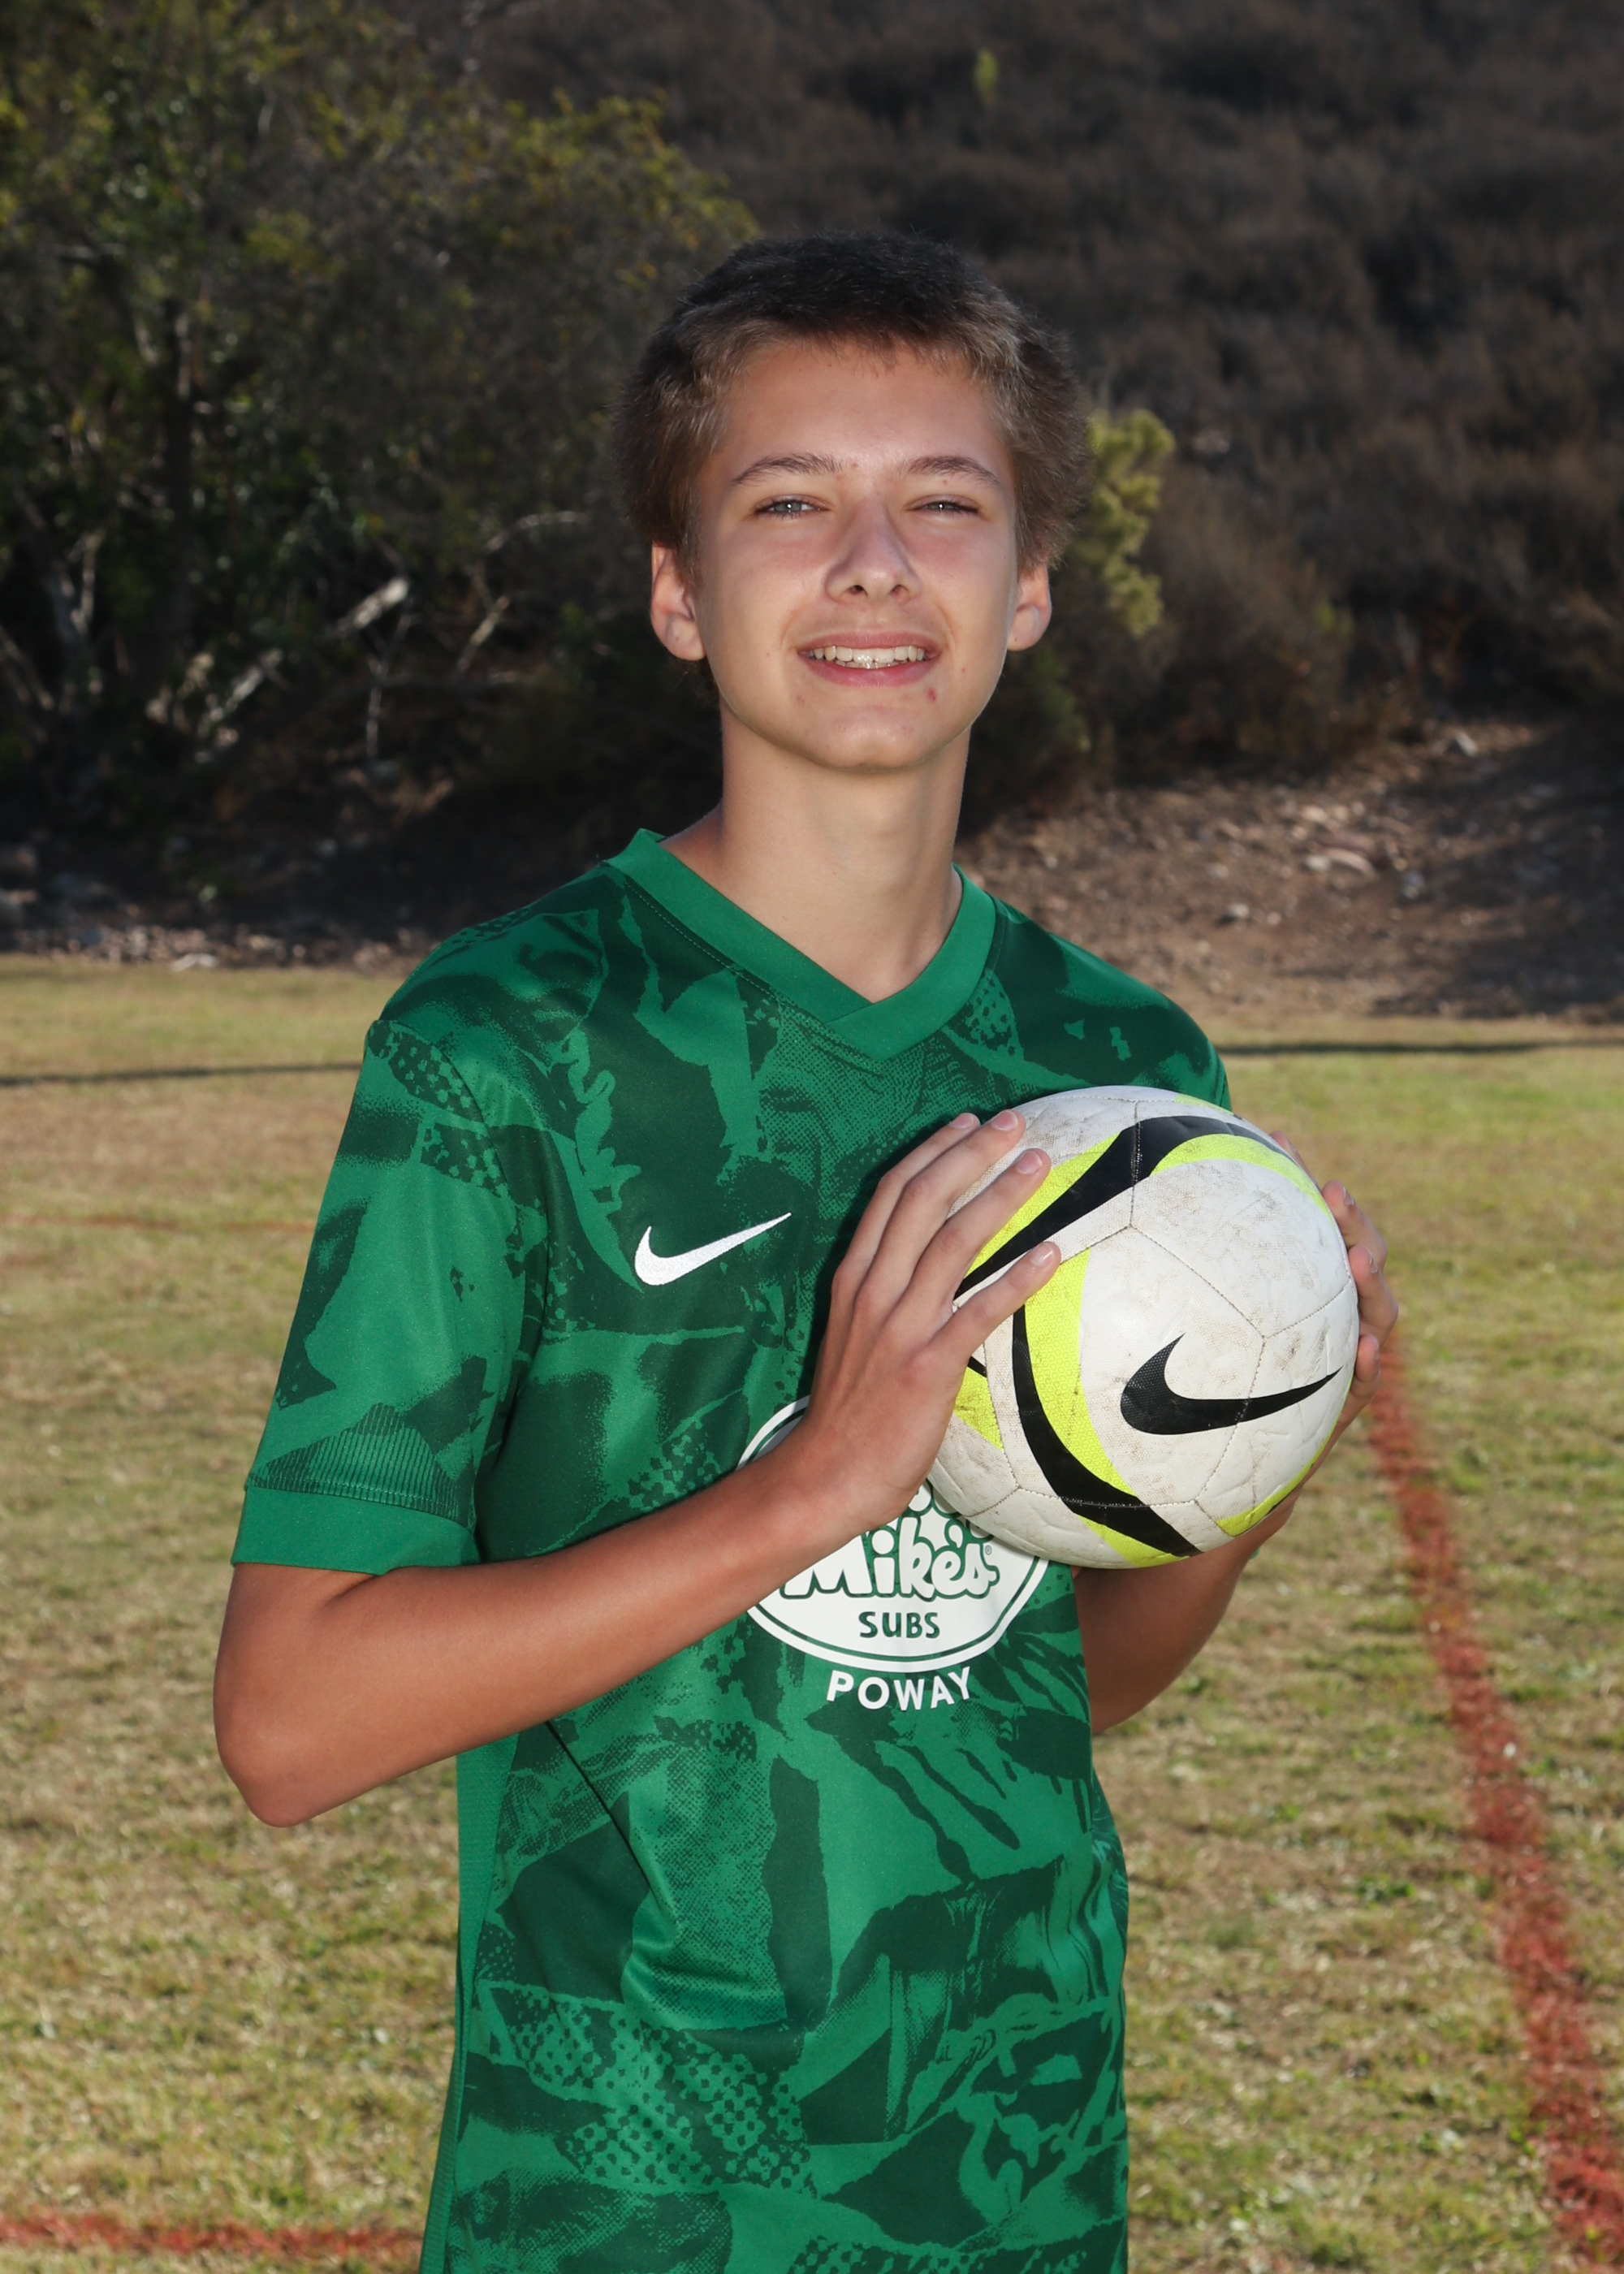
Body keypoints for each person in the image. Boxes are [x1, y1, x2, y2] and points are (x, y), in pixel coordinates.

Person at [214, 233, 1396, 2274]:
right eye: (788, 502)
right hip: (627, 2199)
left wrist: (1244, 1449)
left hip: (1016, 2169)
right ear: (680, 591)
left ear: (1029, 583)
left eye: (941, 502)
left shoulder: (1123, 1080)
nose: (871, 563)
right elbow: (293, 1721)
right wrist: (811, 1486)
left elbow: (1069, 1680)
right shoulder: (508, 1046)